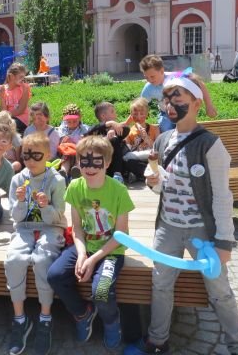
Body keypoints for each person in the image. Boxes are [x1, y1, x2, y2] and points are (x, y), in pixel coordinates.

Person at [124, 76, 238, 355]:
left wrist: (224, 242)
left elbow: (222, 197)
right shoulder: (164, 139)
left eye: (177, 98)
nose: (170, 105)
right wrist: (153, 182)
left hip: (201, 231)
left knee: (219, 289)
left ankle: (237, 345)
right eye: (167, 99)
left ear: (196, 103)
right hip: (167, 227)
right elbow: (162, 185)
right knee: (161, 285)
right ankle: (158, 340)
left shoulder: (210, 145)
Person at [47, 136, 135, 352]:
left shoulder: (119, 191)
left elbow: (121, 235)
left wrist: (93, 259)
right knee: (55, 275)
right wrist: (81, 254)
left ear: (107, 162)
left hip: (112, 250)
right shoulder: (75, 187)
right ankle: (82, 313)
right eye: (84, 162)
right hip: (84, 246)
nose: (90, 167)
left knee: (101, 291)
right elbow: (77, 228)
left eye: (97, 162)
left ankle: (112, 322)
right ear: (78, 162)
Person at [5, 133, 67, 355]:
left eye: (36, 156)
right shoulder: (18, 180)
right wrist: (21, 202)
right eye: (26, 155)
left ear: (48, 155)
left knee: (42, 260)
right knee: (14, 259)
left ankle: (45, 317)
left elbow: (58, 216)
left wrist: (45, 206)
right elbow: (16, 217)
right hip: (25, 228)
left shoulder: (57, 181)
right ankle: (20, 319)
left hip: (51, 227)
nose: (30, 161)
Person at [140, 55, 217, 132]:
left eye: (152, 76)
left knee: (187, 130)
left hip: (182, 111)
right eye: (146, 77)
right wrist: (137, 121)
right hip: (166, 113)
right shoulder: (148, 88)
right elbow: (140, 105)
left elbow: (199, 83)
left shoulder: (176, 76)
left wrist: (209, 106)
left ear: (162, 71)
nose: (149, 80)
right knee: (165, 128)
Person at [85, 101, 129, 178]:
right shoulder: (97, 129)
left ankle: (118, 175)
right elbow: (89, 132)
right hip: (101, 165)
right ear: (103, 116)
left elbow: (126, 129)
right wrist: (109, 124)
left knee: (114, 140)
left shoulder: (116, 128)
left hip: (117, 163)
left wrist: (113, 129)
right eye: (112, 111)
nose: (115, 114)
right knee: (112, 140)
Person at [121, 97, 160, 181]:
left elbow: (158, 148)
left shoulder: (155, 129)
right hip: (138, 158)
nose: (138, 117)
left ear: (147, 114)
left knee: (154, 154)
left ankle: (139, 175)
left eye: (142, 114)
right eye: (135, 114)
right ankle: (146, 174)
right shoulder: (130, 131)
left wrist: (147, 139)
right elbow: (128, 150)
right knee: (128, 160)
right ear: (131, 115)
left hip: (151, 157)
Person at [57, 103, 90, 180]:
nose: (72, 124)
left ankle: (76, 170)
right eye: (69, 122)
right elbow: (60, 139)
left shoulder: (84, 128)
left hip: (80, 150)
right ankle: (63, 172)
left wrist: (84, 139)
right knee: (66, 158)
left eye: (75, 121)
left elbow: (89, 139)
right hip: (68, 151)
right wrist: (63, 139)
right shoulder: (63, 128)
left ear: (80, 118)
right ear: (64, 120)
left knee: (80, 158)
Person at [0, 62, 32, 133]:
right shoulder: (4, 89)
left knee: (6, 128)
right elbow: (3, 110)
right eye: (21, 77)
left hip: (22, 119)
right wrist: (1, 98)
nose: (23, 79)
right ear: (11, 76)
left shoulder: (25, 88)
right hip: (8, 118)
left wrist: (6, 116)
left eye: (24, 77)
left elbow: (21, 110)